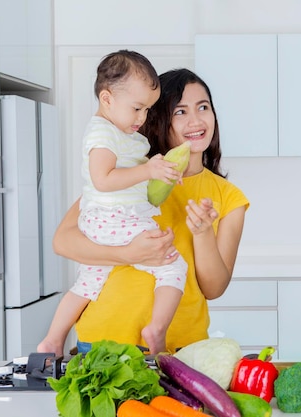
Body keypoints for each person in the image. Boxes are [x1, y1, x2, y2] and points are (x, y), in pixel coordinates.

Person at [49, 68, 249, 355]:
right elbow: (63, 241)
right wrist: (126, 254)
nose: (196, 120)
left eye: (203, 107)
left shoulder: (228, 197)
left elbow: (214, 288)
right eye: (180, 111)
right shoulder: (128, 174)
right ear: (158, 118)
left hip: (179, 347)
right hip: (103, 341)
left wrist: (203, 233)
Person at [37, 50, 189, 357]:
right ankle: (157, 328)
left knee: (89, 279)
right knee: (173, 265)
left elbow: (130, 179)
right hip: (116, 219)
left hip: (103, 221)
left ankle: (53, 340)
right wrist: (148, 170)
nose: (142, 118)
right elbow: (103, 179)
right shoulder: (102, 134)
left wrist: (160, 173)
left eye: (147, 109)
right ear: (107, 99)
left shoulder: (119, 133)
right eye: (136, 108)